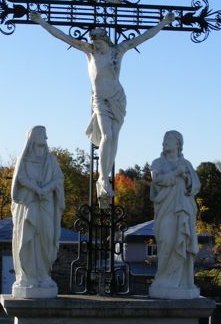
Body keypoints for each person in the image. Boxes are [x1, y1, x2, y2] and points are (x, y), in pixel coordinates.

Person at [29, 11, 175, 202]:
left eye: (99, 42)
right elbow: (62, 36)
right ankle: (103, 178)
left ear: (106, 40)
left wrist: (163, 23)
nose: (97, 46)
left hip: (117, 99)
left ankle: (105, 177)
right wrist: (41, 22)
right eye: (95, 43)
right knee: (107, 136)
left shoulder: (118, 51)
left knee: (114, 139)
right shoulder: (89, 52)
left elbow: (143, 37)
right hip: (99, 100)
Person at [11, 126, 65, 298]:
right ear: (33, 137)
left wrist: (46, 188)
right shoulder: (24, 159)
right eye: (42, 133)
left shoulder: (50, 160)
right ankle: (29, 277)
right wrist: (36, 189)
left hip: (46, 204)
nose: (46, 137)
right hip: (30, 204)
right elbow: (21, 178)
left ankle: (44, 276)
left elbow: (58, 178)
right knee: (29, 238)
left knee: (46, 238)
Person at [149, 130, 201, 299]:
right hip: (166, 209)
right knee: (166, 241)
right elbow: (156, 180)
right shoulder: (157, 163)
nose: (164, 142)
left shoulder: (186, 164)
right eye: (164, 139)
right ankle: (163, 280)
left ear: (178, 144)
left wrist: (186, 179)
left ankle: (182, 282)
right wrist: (175, 174)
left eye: (168, 139)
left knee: (182, 243)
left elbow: (195, 186)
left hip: (183, 210)